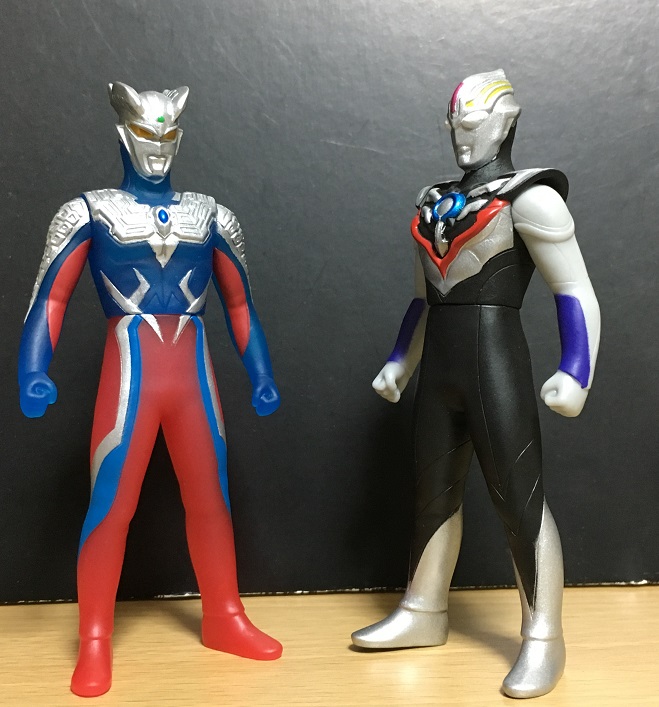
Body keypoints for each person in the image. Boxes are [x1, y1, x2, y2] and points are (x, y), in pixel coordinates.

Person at [19, 82, 282, 697]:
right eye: (145, 135)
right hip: (130, 369)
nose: (157, 148)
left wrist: (262, 374)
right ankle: (94, 638)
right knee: (112, 503)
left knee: (210, 497)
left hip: (192, 372)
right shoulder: (88, 212)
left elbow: (240, 304)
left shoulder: (212, 215)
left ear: (179, 139)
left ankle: (224, 614)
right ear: (124, 136)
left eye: (167, 136)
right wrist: (33, 369)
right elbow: (50, 299)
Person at [351, 69, 600, 699]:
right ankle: (423, 609)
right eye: (453, 124)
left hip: (496, 361)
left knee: (519, 497)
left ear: (505, 120)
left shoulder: (531, 198)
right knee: (431, 493)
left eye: (473, 123)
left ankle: (544, 635)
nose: (461, 135)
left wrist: (577, 369)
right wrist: (400, 360)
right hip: (439, 364)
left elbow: (574, 289)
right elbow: (421, 299)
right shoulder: (434, 203)